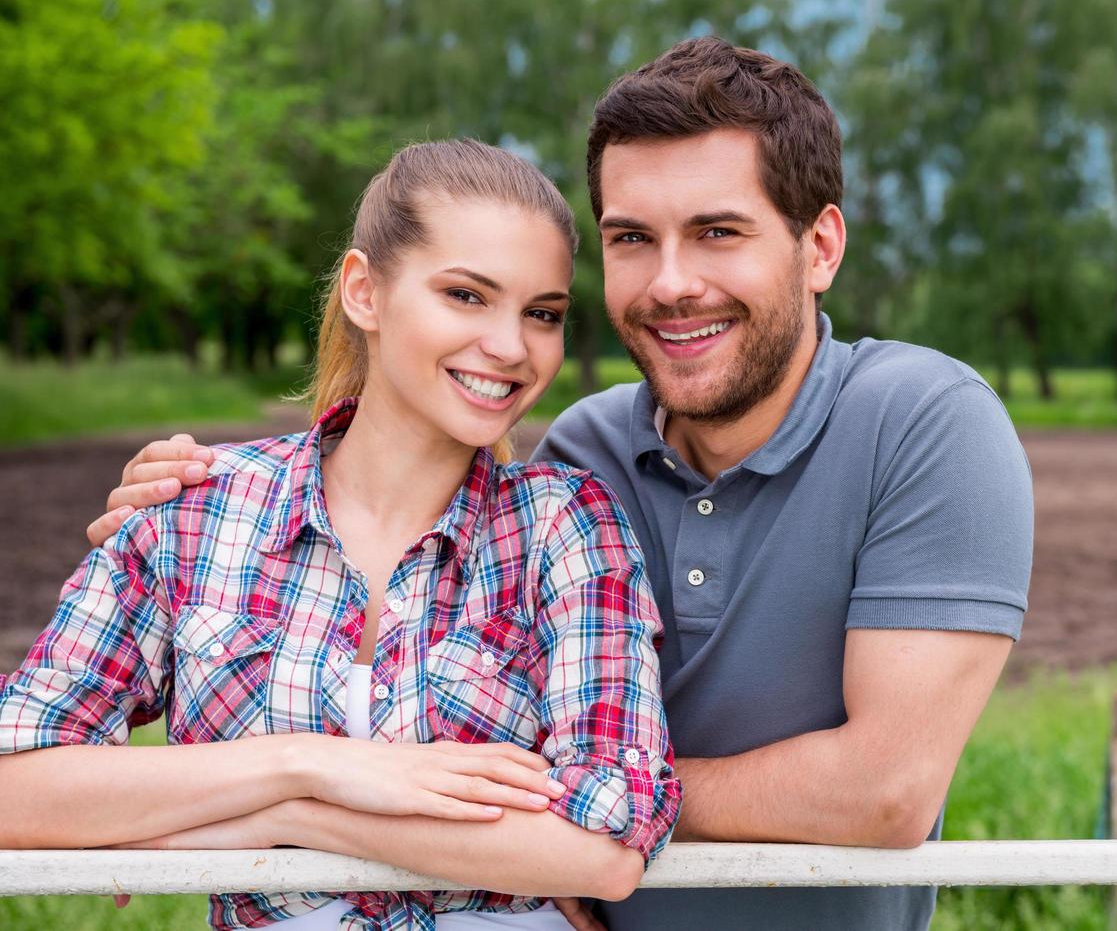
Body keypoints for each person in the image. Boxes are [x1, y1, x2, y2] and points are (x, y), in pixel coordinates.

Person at [85, 38, 1033, 931]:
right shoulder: (585, 454)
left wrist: (589, 813)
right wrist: (190, 511)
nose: (670, 283)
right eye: (631, 239)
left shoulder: (922, 421)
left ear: (819, 247)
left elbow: (882, 792)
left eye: (717, 232)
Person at [0, 139, 680, 930]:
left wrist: (295, 820)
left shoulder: (565, 524)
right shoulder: (193, 512)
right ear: (364, 291)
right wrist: (311, 764)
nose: (510, 346)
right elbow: (19, 780)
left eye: (542, 314)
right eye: (465, 295)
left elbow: (606, 842)